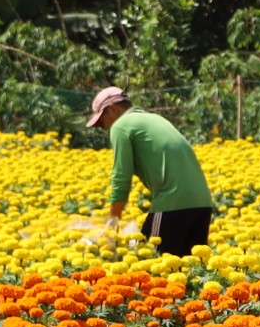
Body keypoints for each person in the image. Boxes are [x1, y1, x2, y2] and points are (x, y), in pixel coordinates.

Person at [88, 86, 215, 256]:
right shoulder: (155, 119)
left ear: (112, 109)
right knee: (188, 270)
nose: (104, 128)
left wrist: (112, 223)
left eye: (102, 122)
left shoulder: (120, 126)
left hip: (173, 202)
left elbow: (121, 176)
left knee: (150, 263)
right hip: (202, 203)